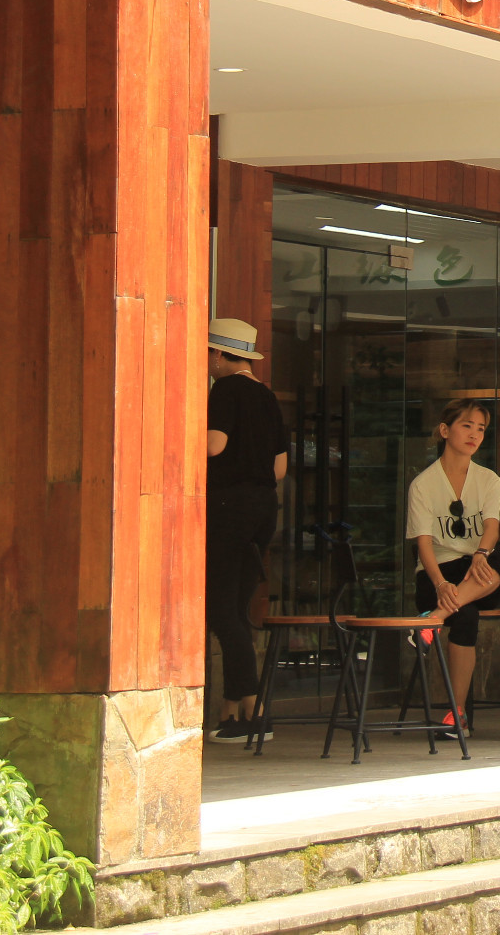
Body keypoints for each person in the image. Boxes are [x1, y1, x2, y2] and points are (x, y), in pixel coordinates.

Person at [204, 317, 286, 744]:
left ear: (219, 354)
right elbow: (279, 467)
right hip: (262, 508)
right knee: (237, 608)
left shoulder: (225, 390)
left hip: (228, 507)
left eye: (208, 355)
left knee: (222, 612)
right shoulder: (267, 397)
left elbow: (214, 444)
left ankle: (253, 712)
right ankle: (231, 712)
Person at [405, 399, 500, 728]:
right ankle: (456, 714)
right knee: (466, 616)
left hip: (476, 569)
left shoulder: (488, 479)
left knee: (496, 564)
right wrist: (440, 584)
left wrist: (481, 553)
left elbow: (492, 527)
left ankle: (432, 620)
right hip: (437, 574)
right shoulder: (423, 484)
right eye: (467, 426)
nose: (475, 434)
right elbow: (423, 544)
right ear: (445, 431)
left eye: (481, 429)